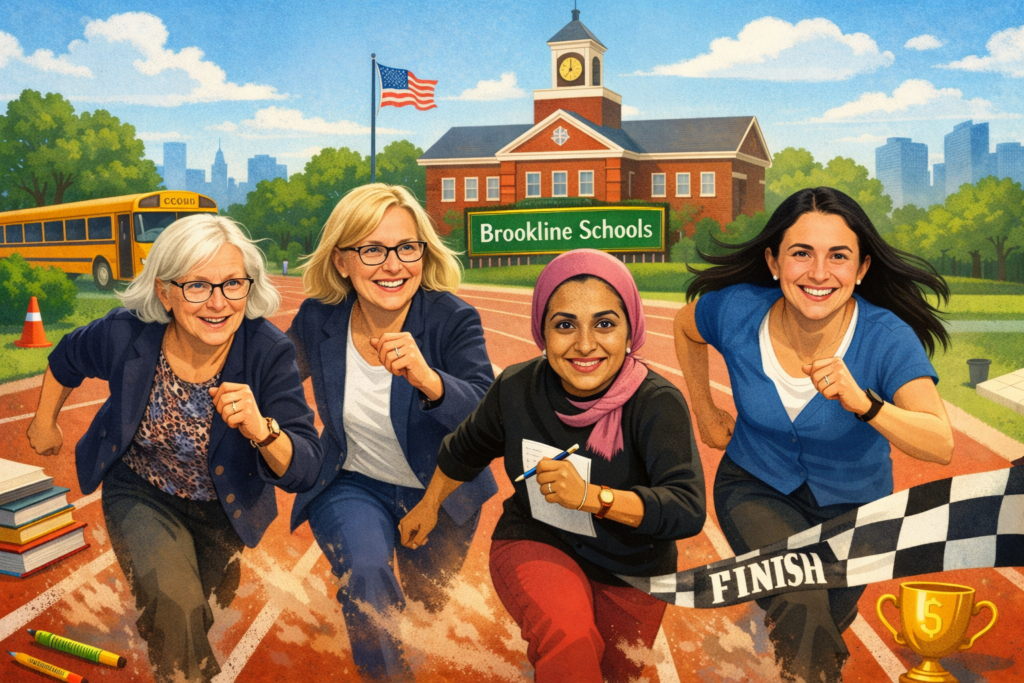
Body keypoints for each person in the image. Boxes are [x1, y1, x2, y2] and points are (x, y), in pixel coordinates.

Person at [26, 214, 322, 683]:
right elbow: (66, 358)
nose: (218, 303)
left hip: (223, 510)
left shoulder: (268, 351)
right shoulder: (126, 333)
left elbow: (305, 467)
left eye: (232, 284)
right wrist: (44, 424)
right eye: (197, 286)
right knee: (175, 608)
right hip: (141, 489)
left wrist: (263, 429)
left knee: (196, 610)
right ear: (164, 291)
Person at [673, 187, 954, 682]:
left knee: (817, 630)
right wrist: (705, 411)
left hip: (856, 510)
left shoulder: (885, 337)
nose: (819, 273)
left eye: (838, 257)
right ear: (773, 261)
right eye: (801, 253)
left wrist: (866, 404)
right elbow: (683, 326)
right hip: (755, 487)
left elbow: (941, 443)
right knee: (801, 603)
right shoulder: (737, 309)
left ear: (862, 269)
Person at [399, 248, 707, 683]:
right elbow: (464, 449)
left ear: (631, 329)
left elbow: (685, 508)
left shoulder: (657, 403)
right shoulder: (517, 387)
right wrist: (428, 506)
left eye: (605, 323)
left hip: (633, 571)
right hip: (539, 540)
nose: (585, 344)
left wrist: (591, 498)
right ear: (541, 331)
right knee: (568, 639)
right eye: (565, 325)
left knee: (615, 674)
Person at [287, 183, 498, 681]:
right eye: (372, 249)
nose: (393, 265)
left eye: (407, 248)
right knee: (367, 580)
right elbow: (270, 375)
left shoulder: (452, 319)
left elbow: (488, 417)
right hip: (351, 483)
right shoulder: (319, 318)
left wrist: (429, 379)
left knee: (424, 618)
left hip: (442, 491)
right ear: (342, 261)